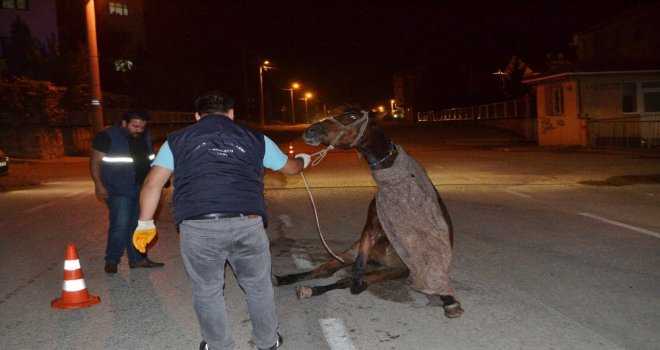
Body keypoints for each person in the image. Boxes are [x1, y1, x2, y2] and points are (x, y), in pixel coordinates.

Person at [133, 91, 310, 350]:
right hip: (247, 223)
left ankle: (218, 345)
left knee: (207, 290)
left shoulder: (177, 141)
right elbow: (291, 168)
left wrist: (145, 223)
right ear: (231, 113)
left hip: (198, 226)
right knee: (258, 286)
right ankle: (267, 341)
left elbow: (152, 184)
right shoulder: (255, 138)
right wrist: (303, 160)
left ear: (197, 116)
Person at [90, 110, 165, 274]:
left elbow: (149, 159)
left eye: (143, 127)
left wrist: (157, 179)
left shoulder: (145, 135)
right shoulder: (107, 136)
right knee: (120, 225)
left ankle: (138, 259)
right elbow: (95, 162)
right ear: (123, 123)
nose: (139, 130)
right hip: (118, 189)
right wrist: (98, 185)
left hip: (142, 188)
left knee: (138, 225)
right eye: (135, 126)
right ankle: (112, 260)